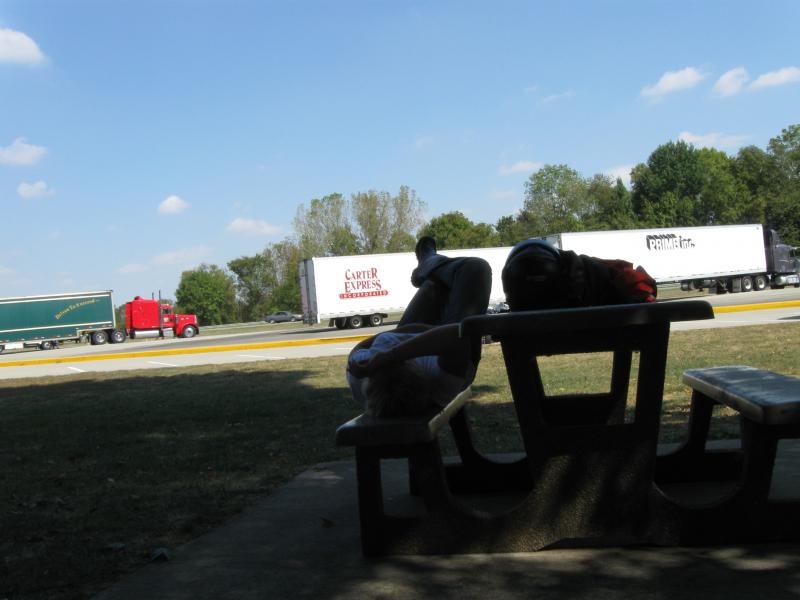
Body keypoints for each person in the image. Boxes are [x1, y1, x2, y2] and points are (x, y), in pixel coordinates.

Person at [346, 236, 491, 417]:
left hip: (433, 338)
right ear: (416, 369)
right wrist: (391, 355)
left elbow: (371, 342)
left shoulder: (359, 371)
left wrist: (404, 342)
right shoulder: (441, 377)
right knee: (476, 269)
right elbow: (456, 334)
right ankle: (427, 263)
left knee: (433, 286)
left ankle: (428, 264)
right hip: (454, 348)